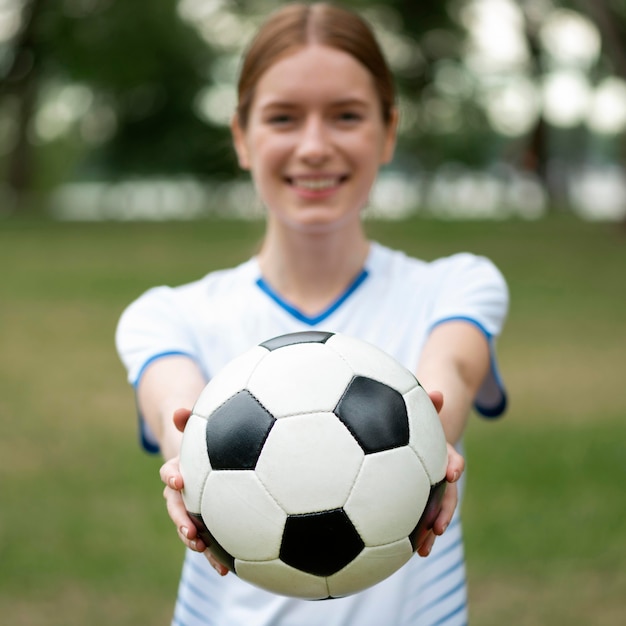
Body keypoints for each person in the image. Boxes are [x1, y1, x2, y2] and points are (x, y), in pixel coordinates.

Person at [115, 3, 508, 625]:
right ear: (242, 136)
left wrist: (433, 446)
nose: (315, 146)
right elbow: (176, 414)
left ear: (388, 131)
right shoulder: (166, 316)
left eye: (347, 116)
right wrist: (184, 464)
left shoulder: (457, 286)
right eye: (283, 118)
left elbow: (449, 378)